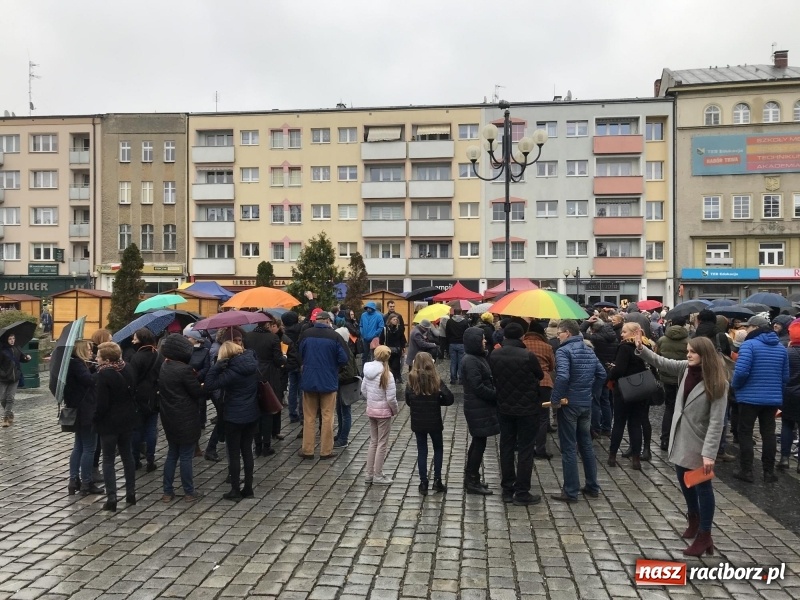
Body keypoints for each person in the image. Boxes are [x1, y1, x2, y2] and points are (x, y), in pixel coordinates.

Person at [634, 332, 728, 557]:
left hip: (700, 441)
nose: (688, 355)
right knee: (684, 481)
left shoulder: (718, 382)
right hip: (681, 436)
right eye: (687, 351)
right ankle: (693, 519)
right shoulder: (686, 369)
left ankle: (705, 535)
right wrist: (642, 348)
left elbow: (717, 422)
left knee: (703, 488)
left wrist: (709, 454)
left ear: (704, 355)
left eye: (693, 352)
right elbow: (663, 362)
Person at [550, 320, 607, 503]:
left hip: (569, 404)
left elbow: (563, 376)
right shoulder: (589, 350)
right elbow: (602, 374)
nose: (558, 336)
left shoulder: (563, 351)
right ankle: (592, 486)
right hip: (585, 403)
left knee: (568, 447)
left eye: (559, 333)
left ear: (567, 333)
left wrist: (555, 399)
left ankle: (571, 491)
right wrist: (591, 392)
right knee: (586, 445)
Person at [489, 322, 544, 506]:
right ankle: (522, 491)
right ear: (522, 337)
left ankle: (507, 488)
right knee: (525, 449)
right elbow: (540, 375)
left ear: (504, 337)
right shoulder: (528, 355)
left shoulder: (495, 354)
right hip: (527, 409)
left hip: (504, 406)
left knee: (506, 447)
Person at [731, 315, 789, 483]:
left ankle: (746, 470)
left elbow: (741, 372)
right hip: (772, 399)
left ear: (755, 328)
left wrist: (736, 386)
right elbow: (785, 377)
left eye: (748, 327)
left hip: (749, 398)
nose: (746, 329)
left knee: (746, 433)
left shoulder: (749, 345)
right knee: (768, 434)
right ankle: (768, 472)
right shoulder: (780, 347)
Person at [205, 340, 260, 501]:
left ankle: (235, 490)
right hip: (252, 414)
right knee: (247, 451)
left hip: (234, 417)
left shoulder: (231, 373)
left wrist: (215, 368)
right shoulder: (252, 364)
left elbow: (210, 384)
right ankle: (248, 488)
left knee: (235, 453)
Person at [158, 334, 204, 503]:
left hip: (169, 416)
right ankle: (189, 492)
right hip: (186, 417)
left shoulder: (165, 366)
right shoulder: (184, 370)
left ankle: (167, 492)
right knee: (186, 456)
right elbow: (196, 392)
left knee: (172, 454)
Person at [93, 341, 138, 512]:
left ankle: (112, 498)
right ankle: (131, 493)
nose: (96, 359)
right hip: (127, 420)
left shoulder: (103, 375)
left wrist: (95, 419)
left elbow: (101, 404)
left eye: (98, 356)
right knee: (127, 456)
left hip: (109, 423)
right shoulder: (128, 368)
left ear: (105, 359)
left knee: (108, 460)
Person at [298, 311, 349, 460]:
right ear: (327, 321)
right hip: (328, 380)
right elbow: (344, 358)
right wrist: (334, 367)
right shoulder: (335, 336)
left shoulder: (306, 334)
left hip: (308, 379)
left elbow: (299, 354)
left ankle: (307, 449)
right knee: (327, 416)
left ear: (316, 320)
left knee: (309, 416)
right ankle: (326, 450)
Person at [608, 322, 653, 470]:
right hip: (641, 390)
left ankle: (612, 456)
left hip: (624, 389)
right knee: (635, 424)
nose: (621, 334)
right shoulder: (647, 346)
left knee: (619, 423)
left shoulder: (625, 347)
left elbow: (619, 369)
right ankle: (636, 459)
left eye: (625, 332)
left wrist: (609, 376)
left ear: (634, 333)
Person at [406, 352, 452, 495]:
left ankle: (423, 482)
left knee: (422, 450)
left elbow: (408, 401)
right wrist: (439, 400)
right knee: (438, 449)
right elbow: (449, 399)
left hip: (418, 422)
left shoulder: (411, 381)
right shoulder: (436, 380)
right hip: (434, 422)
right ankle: (437, 480)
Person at [461, 326, 498, 495]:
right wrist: (496, 395)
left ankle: (472, 478)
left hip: (480, 407)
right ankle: (471, 480)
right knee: (479, 443)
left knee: (479, 442)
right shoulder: (471, 360)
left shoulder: (477, 357)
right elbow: (478, 387)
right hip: (477, 407)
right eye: (482, 338)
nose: (485, 340)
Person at [65, 340, 103, 496]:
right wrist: (99, 371)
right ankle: (86, 483)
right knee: (89, 448)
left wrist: (92, 367)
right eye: (88, 349)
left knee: (79, 446)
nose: (91, 352)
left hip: (78, 411)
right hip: (86, 412)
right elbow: (88, 380)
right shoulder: (76, 365)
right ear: (80, 350)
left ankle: (73, 481)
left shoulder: (75, 364)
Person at [244, 319, 285, 457]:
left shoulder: (247, 336)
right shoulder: (273, 338)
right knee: (267, 411)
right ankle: (266, 446)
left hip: (252, 374)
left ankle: (257, 445)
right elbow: (278, 360)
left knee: (256, 410)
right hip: (269, 376)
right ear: (267, 325)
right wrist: (284, 358)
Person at [361, 345, 398, 485]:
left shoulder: (367, 370)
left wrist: (371, 401)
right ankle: (378, 474)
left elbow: (363, 390)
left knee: (373, 441)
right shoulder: (387, 374)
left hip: (371, 409)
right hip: (383, 412)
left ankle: (369, 473)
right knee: (382, 443)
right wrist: (394, 410)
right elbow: (391, 398)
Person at [128, 328, 162, 472]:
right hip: (154, 397)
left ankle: (135, 460)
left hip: (139, 398)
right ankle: (150, 459)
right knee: (151, 430)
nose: (132, 341)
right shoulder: (158, 355)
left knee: (136, 430)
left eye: (135, 339)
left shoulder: (137, 357)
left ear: (141, 340)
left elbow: (132, 379)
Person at [521, 321, 556, 458]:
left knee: (527, 415)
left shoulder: (522, 344)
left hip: (525, 382)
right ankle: (540, 448)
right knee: (543, 417)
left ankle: (526, 446)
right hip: (544, 382)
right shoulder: (547, 346)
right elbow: (552, 366)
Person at [580, 316, 618, 438]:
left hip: (598, 370)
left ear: (594, 329)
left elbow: (580, 333)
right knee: (605, 400)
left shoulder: (597, 338)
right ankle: (607, 427)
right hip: (608, 370)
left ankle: (596, 428)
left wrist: (586, 323)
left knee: (595, 400)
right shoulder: (612, 336)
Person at [655, 317, 689, 451]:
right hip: (682, 377)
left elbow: (656, 355)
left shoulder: (662, 340)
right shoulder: (688, 341)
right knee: (683, 407)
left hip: (666, 377)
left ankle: (665, 439)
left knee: (669, 407)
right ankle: (680, 439)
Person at [779, 321, 800, 471]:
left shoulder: (787, 352)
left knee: (787, 424)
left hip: (789, 393)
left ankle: (784, 458)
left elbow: (782, 375)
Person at [334, 326, 358, 448]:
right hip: (342, 384)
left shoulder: (345, 351)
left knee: (345, 412)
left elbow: (348, 372)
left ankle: (344, 438)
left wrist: (334, 377)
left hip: (346, 385)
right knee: (340, 411)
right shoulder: (344, 349)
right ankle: (340, 434)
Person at [0, 332, 31, 427]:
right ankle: (10, 413)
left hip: (15, 377)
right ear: (6, 340)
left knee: (10, 398)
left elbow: (21, 358)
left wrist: (27, 358)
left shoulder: (17, 348)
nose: (12, 340)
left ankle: (5, 418)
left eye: (13, 338)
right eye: (10, 339)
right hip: (3, 378)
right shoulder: (2, 350)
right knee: (2, 399)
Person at [281, 311, 304, 423]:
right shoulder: (300, 328)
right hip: (300, 362)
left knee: (292, 389)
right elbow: (308, 318)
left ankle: (292, 413)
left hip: (289, 363)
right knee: (301, 390)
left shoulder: (284, 333)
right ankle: (301, 413)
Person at [379, 313, 407, 385]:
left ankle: (393, 382)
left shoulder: (399, 329)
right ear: (390, 320)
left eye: (396, 320)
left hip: (397, 351)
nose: (395, 321)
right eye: (394, 319)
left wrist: (403, 347)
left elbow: (402, 339)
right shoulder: (385, 329)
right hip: (387, 351)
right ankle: (387, 381)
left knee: (395, 366)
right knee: (388, 367)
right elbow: (381, 340)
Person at [445, 309, 469, 385]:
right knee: (461, 362)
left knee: (453, 361)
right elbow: (466, 332)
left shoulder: (449, 321)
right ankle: (461, 379)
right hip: (461, 343)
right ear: (461, 313)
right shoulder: (465, 321)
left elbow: (447, 332)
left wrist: (449, 340)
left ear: (454, 313)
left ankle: (453, 378)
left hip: (452, 343)